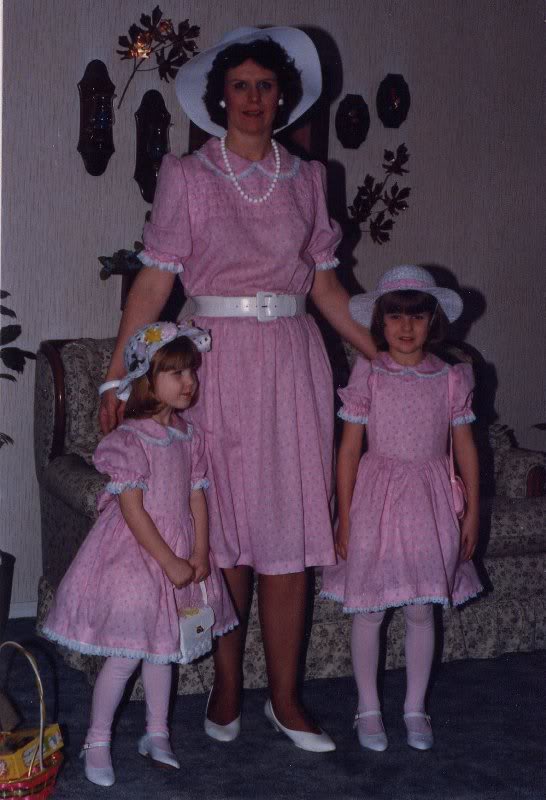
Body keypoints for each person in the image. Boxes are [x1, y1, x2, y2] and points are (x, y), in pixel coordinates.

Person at [99, 26, 377, 753]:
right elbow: (156, 281)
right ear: (220, 97)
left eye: (265, 85)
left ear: (283, 95)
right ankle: (227, 687)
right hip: (210, 372)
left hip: (292, 367)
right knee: (222, 537)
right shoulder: (187, 176)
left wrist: (380, 350)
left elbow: (326, 286)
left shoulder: (311, 178)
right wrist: (118, 370)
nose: (253, 98)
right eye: (241, 85)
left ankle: (285, 699)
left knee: (286, 537)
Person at [42, 322, 237, 787]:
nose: (189, 382)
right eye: (175, 373)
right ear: (146, 381)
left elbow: (196, 497)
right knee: (129, 654)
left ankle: (156, 731)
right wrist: (169, 560)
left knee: (162, 652)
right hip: (138, 553)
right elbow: (132, 510)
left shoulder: (190, 437)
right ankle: (98, 738)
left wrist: (199, 550)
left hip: (181, 552)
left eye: (191, 371)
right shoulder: (129, 440)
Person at [321, 265, 483, 752]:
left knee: (419, 608)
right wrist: (344, 518)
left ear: (433, 321)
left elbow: (467, 448)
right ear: (380, 322)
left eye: (417, 316)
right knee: (369, 610)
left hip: (430, 501)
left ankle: (415, 707)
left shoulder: (450, 378)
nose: (406, 327)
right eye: (395, 316)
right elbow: (348, 451)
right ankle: (367, 707)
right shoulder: (369, 373)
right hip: (377, 497)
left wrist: (473, 512)